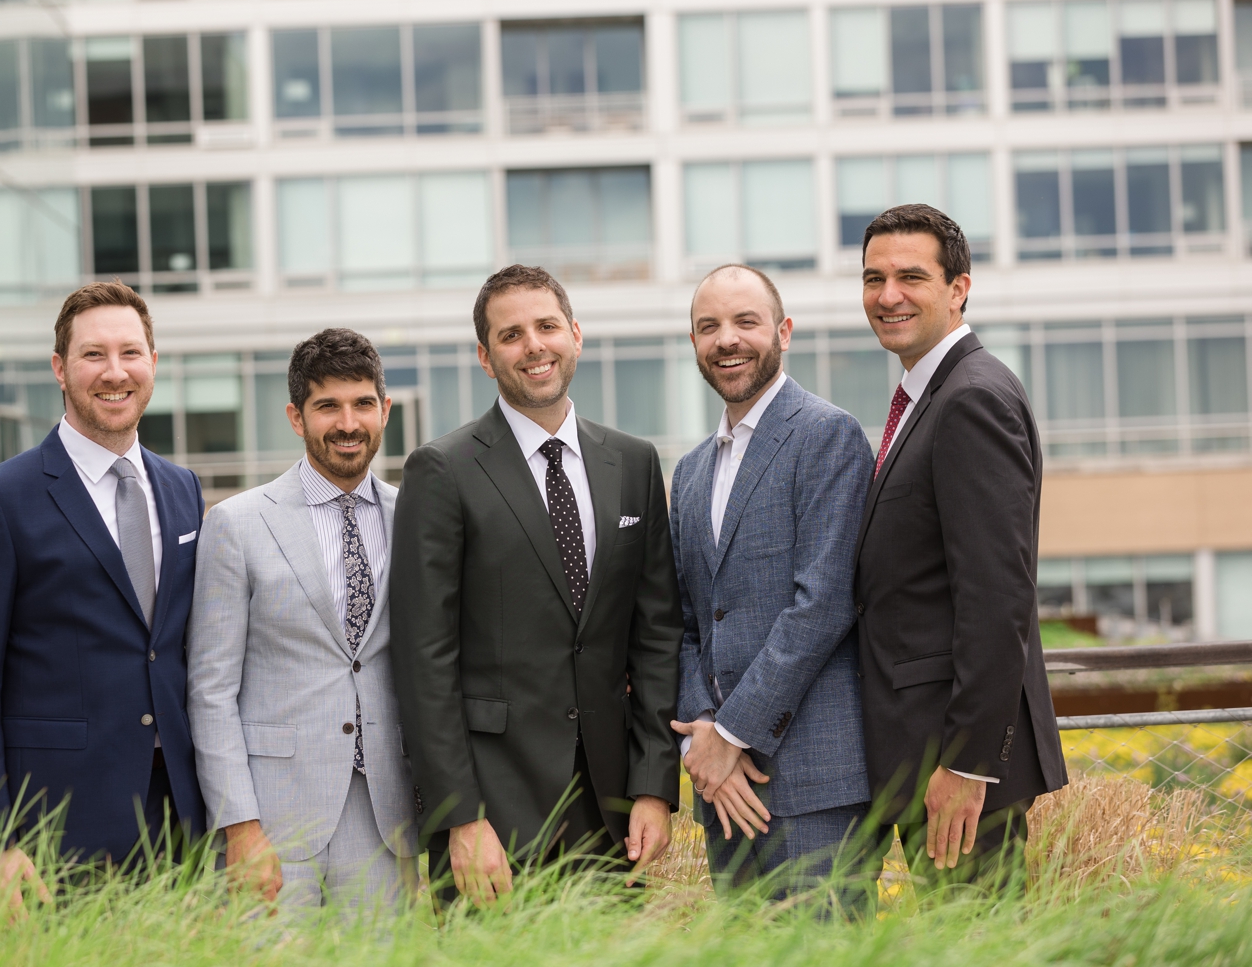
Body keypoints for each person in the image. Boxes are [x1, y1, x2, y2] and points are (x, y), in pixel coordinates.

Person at [389, 264, 683, 906]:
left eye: (547, 326)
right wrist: (460, 817)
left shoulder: (633, 464)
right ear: (485, 356)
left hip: (610, 811)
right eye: (511, 335)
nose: (534, 346)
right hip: (494, 812)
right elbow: (423, 659)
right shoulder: (442, 470)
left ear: (575, 334)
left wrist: (655, 787)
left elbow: (657, 636)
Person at [0, 281, 206, 896]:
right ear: (60, 368)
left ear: (153, 363)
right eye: (93, 355)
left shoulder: (182, 488)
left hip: (182, 820)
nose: (115, 372)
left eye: (131, 353)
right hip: (57, 828)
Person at [853, 204, 1067, 885]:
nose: (888, 296)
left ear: (958, 288)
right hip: (928, 754)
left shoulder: (971, 399)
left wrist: (968, 764)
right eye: (873, 278)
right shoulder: (930, 394)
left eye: (910, 276)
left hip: (957, 770)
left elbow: (998, 596)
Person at [187, 329, 417, 910]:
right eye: (327, 407)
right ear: (297, 417)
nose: (348, 422)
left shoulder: (415, 516)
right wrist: (239, 823)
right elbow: (211, 688)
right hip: (273, 816)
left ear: (384, 409)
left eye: (363, 403)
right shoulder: (238, 523)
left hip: (384, 814)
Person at [669, 265, 875, 899]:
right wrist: (702, 739)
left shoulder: (827, 436)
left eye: (745, 322)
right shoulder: (690, 471)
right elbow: (686, 624)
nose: (727, 339)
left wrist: (730, 736)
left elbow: (823, 606)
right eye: (709, 327)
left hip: (813, 784)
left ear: (783, 331)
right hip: (722, 791)